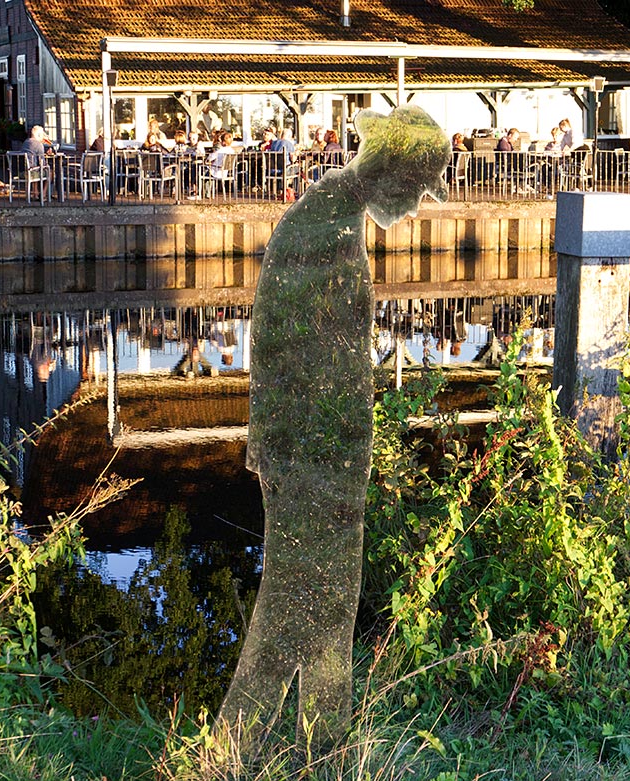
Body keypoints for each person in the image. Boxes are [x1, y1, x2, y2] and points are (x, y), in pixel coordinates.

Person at [217, 103, 451, 748]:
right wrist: (318, 452)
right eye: (415, 189)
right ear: (393, 174)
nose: (413, 207)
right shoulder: (327, 229)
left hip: (315, 451)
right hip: (315, 457)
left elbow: (298, 347)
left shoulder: (328, 218)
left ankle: (308, 741)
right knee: (308, 602)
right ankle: (267, 744)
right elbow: (300, 355)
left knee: (314, 605)